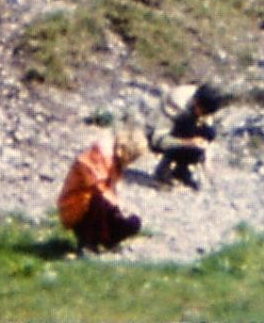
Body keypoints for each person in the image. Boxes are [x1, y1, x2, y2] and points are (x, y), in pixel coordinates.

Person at [56, 125, 146, 253]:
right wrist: (116, 206)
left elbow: (111, 190)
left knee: (133, 222)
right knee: (100, 200)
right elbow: (97, 186)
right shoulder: (99, 153)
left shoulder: (116, 162)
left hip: (98, 205)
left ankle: (106, 241)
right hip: (77, 205)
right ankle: (87, 243)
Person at [150, 82, 229, 190]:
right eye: (203, 112)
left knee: (207, 134)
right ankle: (163, 170)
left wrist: (206, 160)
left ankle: (181, 170)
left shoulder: (205, 103)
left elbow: (207, 136)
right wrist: (187, 142)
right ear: (196, 102)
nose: (204, 116)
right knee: (189, 135)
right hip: (154, 131)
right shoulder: (177, 100)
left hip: (181, 128)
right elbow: (157, 139)